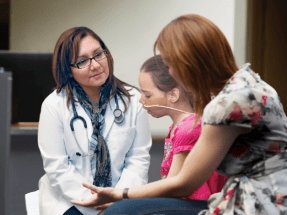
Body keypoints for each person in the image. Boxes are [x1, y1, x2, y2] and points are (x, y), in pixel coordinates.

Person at [71, 14, 287, 215]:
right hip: (268, 198)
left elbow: (184, 182)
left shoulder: (229, 104)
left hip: (260, 205)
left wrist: (120, 194)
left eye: (170, 65)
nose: (172, 73)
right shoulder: (249, 81)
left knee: (121, 212)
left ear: (189, 63)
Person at [37, 27, 152, 215]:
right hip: (69, 201)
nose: (96, 65)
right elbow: (57, 167)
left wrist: (117, 199)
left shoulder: (132, 100)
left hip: (119, 201)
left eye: (98, 54)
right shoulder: (53, 105)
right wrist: (94, 204)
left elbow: (138, 159)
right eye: (82, 61)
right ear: (68, 69)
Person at [139, 55, 226, 200]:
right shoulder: (180, 126)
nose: (141, 99)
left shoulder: (188, 129)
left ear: (173, 95)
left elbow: (172, 187)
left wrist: (125, 196)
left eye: (147, 95)